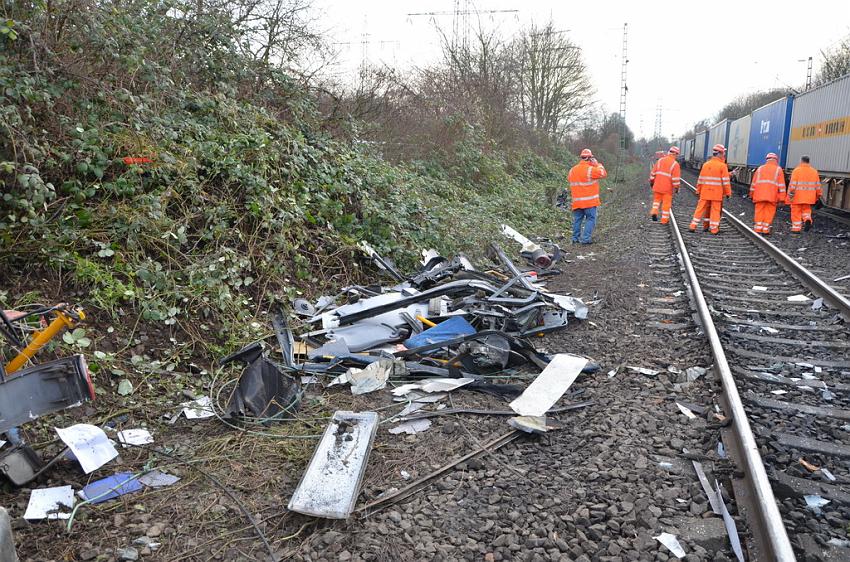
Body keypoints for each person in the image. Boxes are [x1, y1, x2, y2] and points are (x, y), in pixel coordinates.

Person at [689, 144, 731, 235]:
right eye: (723, 153)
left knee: (700, 209)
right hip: (716, 194)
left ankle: (693, 226)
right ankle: (714, 229)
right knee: (715, 211)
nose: (724, 155)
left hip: (705, 192)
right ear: (720, 153)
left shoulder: (705, 165)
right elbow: (726, 182)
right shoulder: (722, 166)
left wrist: (698, 190)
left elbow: (700, 179)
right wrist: (728, 193)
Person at [567, 148, 607, 244]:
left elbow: (570, 179)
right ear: (590, 158)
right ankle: (585, 239)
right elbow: (603, 173)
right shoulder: (591, 170)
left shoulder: (572, 170)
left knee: (577, 220)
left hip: (577, 202)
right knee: (590, 219)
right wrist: (597, 164)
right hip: (589, 202)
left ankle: (575, 239)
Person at [748, 152, 785, 235]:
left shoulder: (760, 169)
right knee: (769, 212)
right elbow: (782, 186)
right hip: (772, 196)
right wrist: (782, 199)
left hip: (759, 195)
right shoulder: (778, 170)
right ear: (776, 160)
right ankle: (765, 229)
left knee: (759, 211)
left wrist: (751, 194)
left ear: (766, 159)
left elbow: (753, 183)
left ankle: (758, 228)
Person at [786, 155, 822, 233]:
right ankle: (807, 219)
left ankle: (796, 228)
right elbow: (818, 186)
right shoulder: (814, 171)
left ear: (801, 161)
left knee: (796, 212)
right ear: (808, 161)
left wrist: (790, 195)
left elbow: (793, 185)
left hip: (797, 197)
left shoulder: (796, 170)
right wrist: (818, 195)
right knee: (806, 210)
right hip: (809, 198)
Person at [649, 146, 681, 224]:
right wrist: (677, 188)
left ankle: (654, 212)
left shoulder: (660, 161)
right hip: (667, 188)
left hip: (657, 186)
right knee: (666, 204)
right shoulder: (675, 164)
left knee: (656, 201)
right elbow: (675, 180)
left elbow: (652, 174)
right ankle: (664, 220)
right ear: (675, 154)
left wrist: (652, 182)